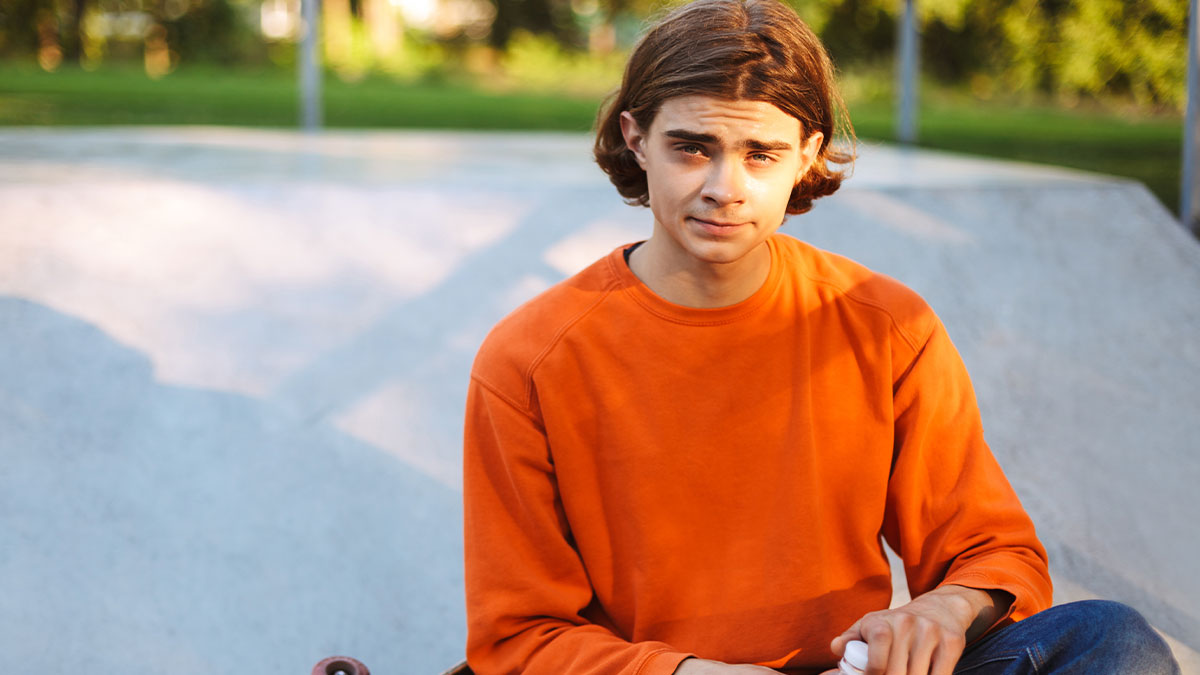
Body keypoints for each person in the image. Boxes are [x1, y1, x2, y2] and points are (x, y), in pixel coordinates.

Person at [461, 0, 1181, 673]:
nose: (724, 186)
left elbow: (996, 555)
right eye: (692, 147)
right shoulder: (529, 357)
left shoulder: (886, 325)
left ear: (808, 151)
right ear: (635, 137)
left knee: (1110, 638)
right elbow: (517, 634)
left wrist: (945, 608)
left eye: (761, 155)